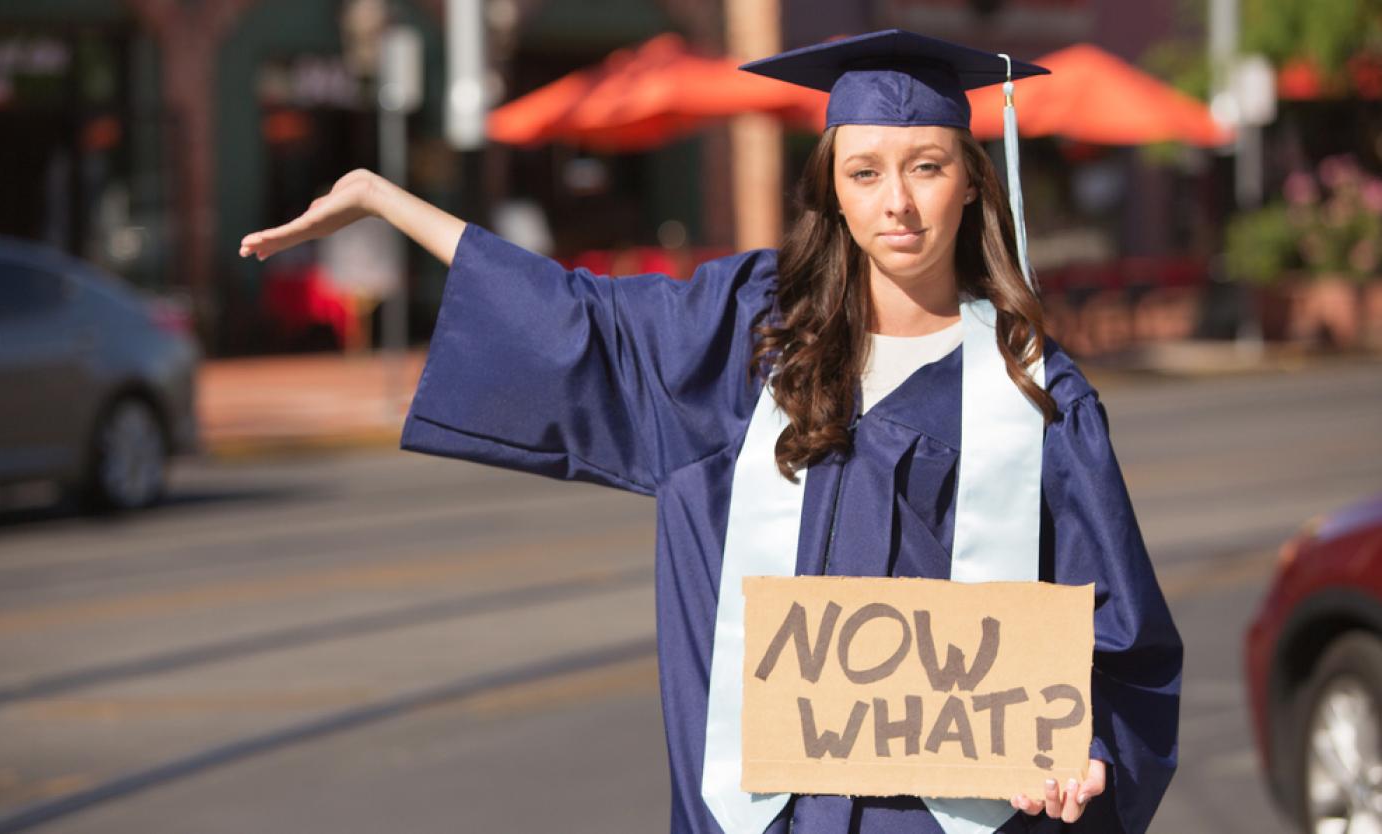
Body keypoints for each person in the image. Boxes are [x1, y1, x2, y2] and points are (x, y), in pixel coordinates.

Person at [239, 28, 1181, 834]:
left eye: (926, 168)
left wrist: (1084, 754)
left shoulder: (1035, 396)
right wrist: (383, 198)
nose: (897, 203)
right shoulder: (750, 337)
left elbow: (1120, 642)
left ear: (973, 184)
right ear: (835, 192)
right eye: (866, 172)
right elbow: (576, 322)